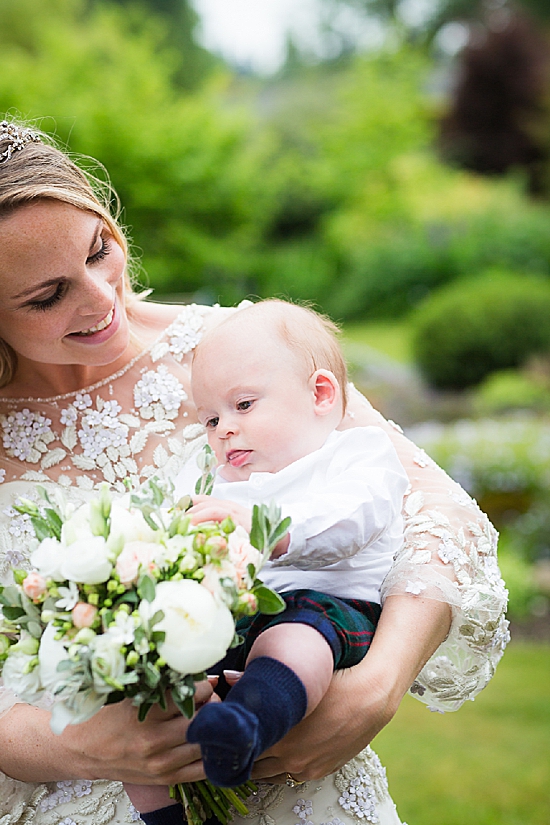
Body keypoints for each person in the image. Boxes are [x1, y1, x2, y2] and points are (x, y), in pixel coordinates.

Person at [0, 119, 509, 825]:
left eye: (98, 252)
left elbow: (433, 512)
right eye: (47, 295)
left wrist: (378, 683)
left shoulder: (237, 347)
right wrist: (80, 747)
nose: (98, 297)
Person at [170, 299, 408, 787]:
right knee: (162, 676)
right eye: (211, 420)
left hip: (325, 606)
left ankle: (244, 728)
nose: (224, 429)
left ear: (321, 394)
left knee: (291, 642)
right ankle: (171, 800)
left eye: (243, 405)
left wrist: (268, 531)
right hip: (235, 612)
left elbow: (353, 519)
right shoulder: (217, 479)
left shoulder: (356, 455)